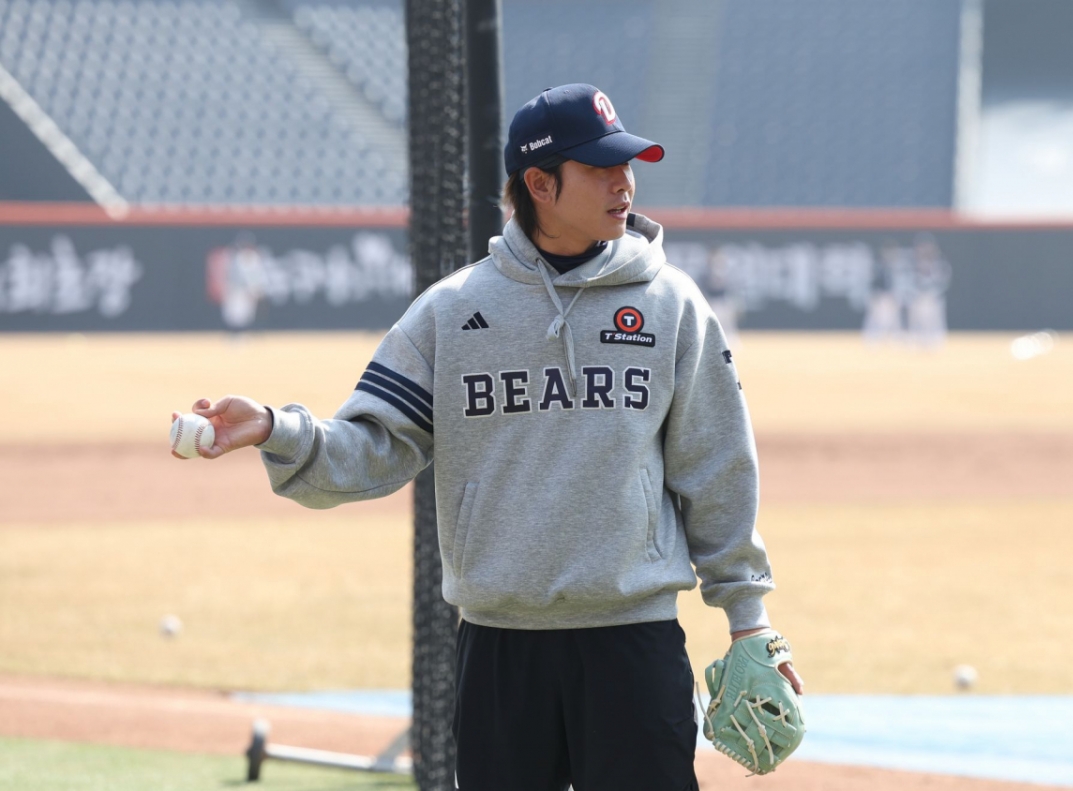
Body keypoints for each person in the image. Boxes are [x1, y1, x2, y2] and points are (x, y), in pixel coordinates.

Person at [172, 84, 801, 791]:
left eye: (627, 164)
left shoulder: (672, 306)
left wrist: (748, 619)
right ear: (539, 183)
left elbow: (715, 469)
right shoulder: (452, 311)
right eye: (599, 168)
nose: (623, 182)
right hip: (500, 650)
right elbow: (373, 448)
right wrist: (275, 428)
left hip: (634, 641)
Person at [906, 232, 951, 349]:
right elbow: (908, 281)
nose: (924, 250)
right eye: (922, 247)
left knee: (934, 320)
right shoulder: (912, 263)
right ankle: (916, 342)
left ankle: (936, 343)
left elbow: (943, 281)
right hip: (917, 298)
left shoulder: (939, 263)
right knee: (916, 319)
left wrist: (932, 292)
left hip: (934, 298)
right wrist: (917, 293)